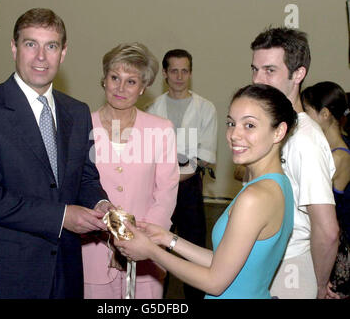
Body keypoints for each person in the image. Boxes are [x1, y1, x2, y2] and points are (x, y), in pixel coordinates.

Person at [0, 8, 112, 299]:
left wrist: (101, 204)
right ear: (14, 48)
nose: (41, 56)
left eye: (51, 46)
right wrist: (62, 216)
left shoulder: (77, 112)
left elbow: (86, 178)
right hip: (6, 274)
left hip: (65, 272)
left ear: (63, 53)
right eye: (31, 44)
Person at [116, 84, 297, 299]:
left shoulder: (255, 197)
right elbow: (223, 262)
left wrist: (151, 251)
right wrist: (167, 239)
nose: (234, 135)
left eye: (249, 125)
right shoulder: (279, 184)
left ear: (278, 131)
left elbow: (215, 282)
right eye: (231, 123)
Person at [81, 43, 179, 299]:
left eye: (131, 81)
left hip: (146, 253)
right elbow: (76, 188)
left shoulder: (161, 129)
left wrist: (137, 243)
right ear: (104, 80)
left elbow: (166, 194)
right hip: (92, 254)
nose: (120, 88)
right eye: (115, 78)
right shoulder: (81, 126)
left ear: (143, 88)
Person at [250, 27, 339, 299]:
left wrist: (320, 286)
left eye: (269, 70)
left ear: (298, 74)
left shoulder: (305, 139)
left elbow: (327, 229)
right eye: (254, 69)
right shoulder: (273, 129)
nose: (257, 80)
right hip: (261, 263)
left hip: (289, 268)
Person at [147, 49, 217, 299]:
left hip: (188, 188)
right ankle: (155, 298)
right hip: (156, 189)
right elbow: (148, 154)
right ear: (165, 74)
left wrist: (172, 179)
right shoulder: (153, 108)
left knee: (193, 248)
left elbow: (204, 155)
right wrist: (163, 182)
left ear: (190, 73)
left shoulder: (205, 108)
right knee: (155, 245)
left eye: (184, 70)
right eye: (173, 70)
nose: (179, 76)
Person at [302, 81, 350, 298]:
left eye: (307, 112)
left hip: (334, 248)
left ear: (324, 114)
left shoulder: (339, 156)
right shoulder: (324, 149)